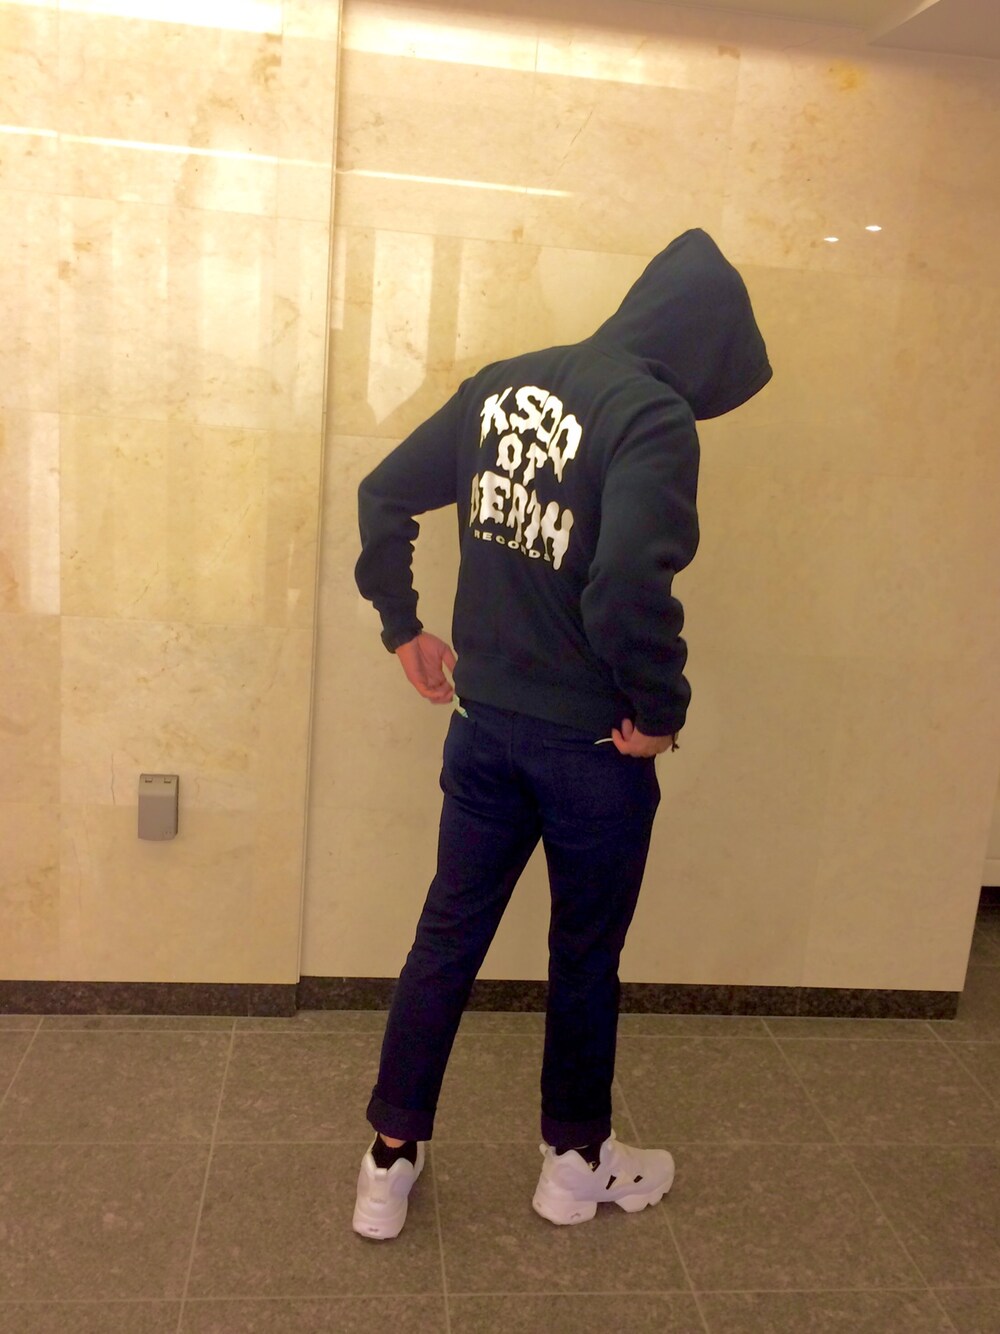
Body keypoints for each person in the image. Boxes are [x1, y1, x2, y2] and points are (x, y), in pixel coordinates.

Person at [350, 228, 772, 1241]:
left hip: (482, 732)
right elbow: (625, 583)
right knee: (584, 954)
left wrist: (404, 625)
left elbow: (383, 491)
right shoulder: (652, 415)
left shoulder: (503, 384)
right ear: (703, 343)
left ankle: (387, 1165)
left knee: (445, 937)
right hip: (592, 753)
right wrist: (660, 713)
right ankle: (574, 1166)